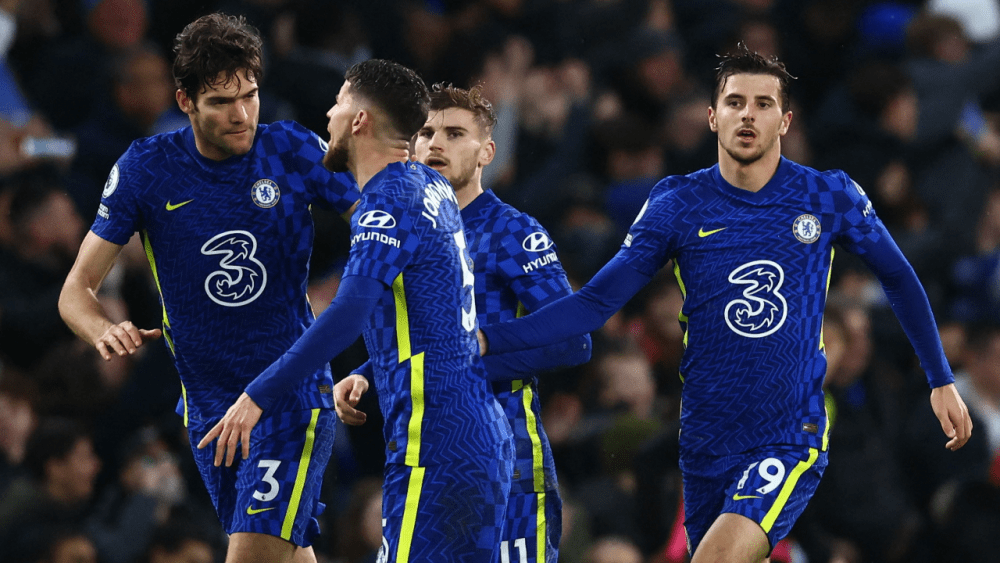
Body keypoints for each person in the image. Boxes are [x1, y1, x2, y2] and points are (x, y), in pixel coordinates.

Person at [478, 43, 973, 563]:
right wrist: (489, 339)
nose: (748, 115)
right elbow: (595, 303)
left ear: (785, 121)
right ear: (713, 117)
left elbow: (899, 277)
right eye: (735, 102)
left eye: (763, 104)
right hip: (705, 437)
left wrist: (940, 378)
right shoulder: (677, 204)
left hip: (787, 431)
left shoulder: (828, 195)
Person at [57, 13, 360, 563]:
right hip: (209, 410)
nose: (242, 114)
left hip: (288, 397)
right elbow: (76, 289)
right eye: (221, 102)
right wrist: (102, 329)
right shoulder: (147, 169)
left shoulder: (291, 149)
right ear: (185, 101)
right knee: (285, 555)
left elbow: (380, 224)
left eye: (249, 96)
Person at [199, 59, 515, 563]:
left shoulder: (386, 201)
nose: (329, 115)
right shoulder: (429, 186)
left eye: (339, 102)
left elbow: (349, 312)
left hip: (438, 442)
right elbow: (433, 313)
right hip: (472, 435)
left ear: (360, 120)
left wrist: (258, 394)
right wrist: (370, 370)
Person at [334, 83, 592, 563]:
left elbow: (573, 341)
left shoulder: (512, 230)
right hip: (423, 457)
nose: (436, 143)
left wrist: (463, 365)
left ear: (487, 152)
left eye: (454, 134)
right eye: (426, 132)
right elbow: (428, 338)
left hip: (511, 462)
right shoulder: (407, 228)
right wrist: (368, 373)